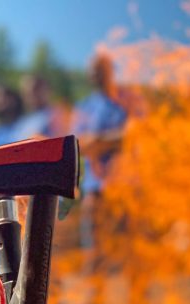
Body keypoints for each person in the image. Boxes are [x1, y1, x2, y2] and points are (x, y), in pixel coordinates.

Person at [72, 52, 127, 248]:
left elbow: (135, 136)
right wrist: (108, 140)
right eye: (93, 71)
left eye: (101, 69)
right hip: (95, 186)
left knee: (124, 244)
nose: (97, 75)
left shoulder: (126, 101)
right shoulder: (85, 107)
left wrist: (101, 140)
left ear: (110, 70)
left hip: (125, 184)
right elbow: (78, 144)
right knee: (95, 242)